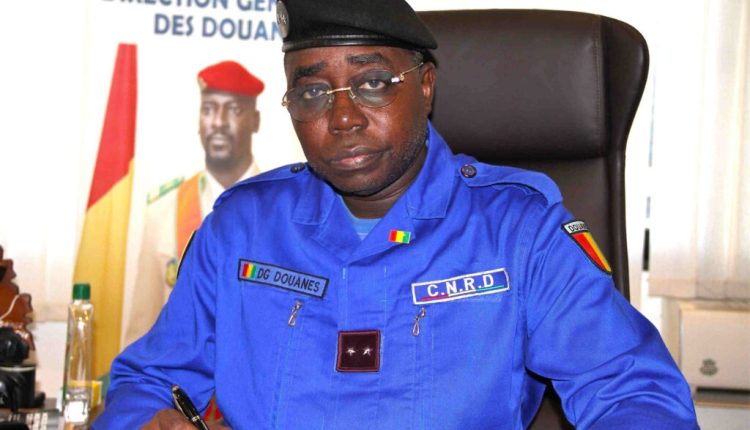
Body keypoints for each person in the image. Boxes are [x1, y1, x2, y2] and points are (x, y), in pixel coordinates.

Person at [96, 1, 700, 428]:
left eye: (373, 83)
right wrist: (146, 421)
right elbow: (146, 383)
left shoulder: (520, 231)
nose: (343, 117)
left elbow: (634, 394)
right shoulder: (242, 229)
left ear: (426, 85)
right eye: (312, 92)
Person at [121, 61, 264, 347]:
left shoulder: (282, 210)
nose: (218, 122)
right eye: (208, 109)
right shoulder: (164, 211)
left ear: (255, 121)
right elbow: (143, 328)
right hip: (180, 373)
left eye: (234, 110)